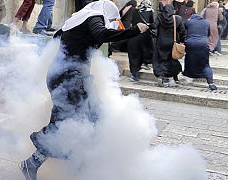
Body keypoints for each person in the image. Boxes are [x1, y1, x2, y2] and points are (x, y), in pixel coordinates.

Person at [18, 1, 149, 180]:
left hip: (70, 78)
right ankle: (34, 164)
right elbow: (102, 34)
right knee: (68, 126)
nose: (109, 22)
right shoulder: (94, 17)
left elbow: (59, 40)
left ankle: (78, 170)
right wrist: (135, 30)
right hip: (68, 80)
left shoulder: (76, 20)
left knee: (93, 119)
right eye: (111, 19)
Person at [152, 4, 186, 87]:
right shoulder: (177, 19)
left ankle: (160, 76)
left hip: (161, 42)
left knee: (159, 60)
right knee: (172, 60)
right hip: (172, 43)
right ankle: (175, 77)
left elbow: (154, 27)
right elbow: (182, 31)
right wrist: (182, 41)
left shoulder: (159, 17)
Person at [183, 14, 217, 91]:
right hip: (203, 44)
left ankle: (189, 75)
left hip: (190, 44)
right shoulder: (206, 22)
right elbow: (208, 34)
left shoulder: (188, 22)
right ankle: (210, 82)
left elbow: (183, 31)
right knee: (205, 64)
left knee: (189, 60)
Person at [127, 0, 155, 81]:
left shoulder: (135, 10)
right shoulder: (150, 11)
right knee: (145, 51)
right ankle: (144, 63)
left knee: (134, 55)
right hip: (144, 35)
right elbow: (152, 24)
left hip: (134, 34)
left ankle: (134, 74)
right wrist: (149, 25)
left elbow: (132, 22)